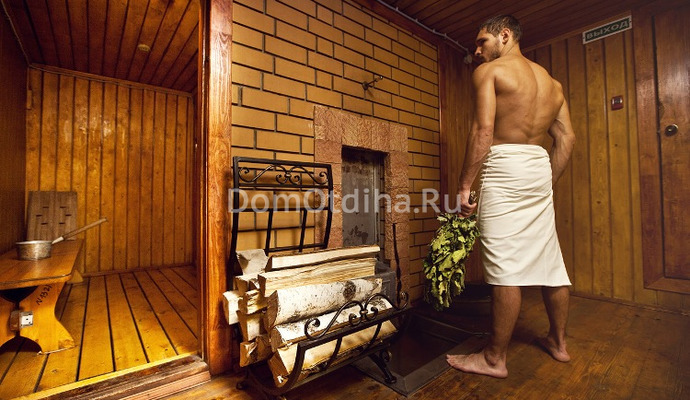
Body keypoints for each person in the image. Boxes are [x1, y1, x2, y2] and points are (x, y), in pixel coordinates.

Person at [446, 15, 576, 378]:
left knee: (505, 266)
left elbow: (483, 130)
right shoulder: (552, 85)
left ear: (505, 35)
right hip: (537, 167)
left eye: (482, 41)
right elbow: (566, 139)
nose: (477, 51)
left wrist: (464, 186)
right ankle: (559, 343)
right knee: (550, 262)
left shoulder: (490, 72)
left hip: (503, 167)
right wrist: (547, 182)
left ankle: (494, 357)